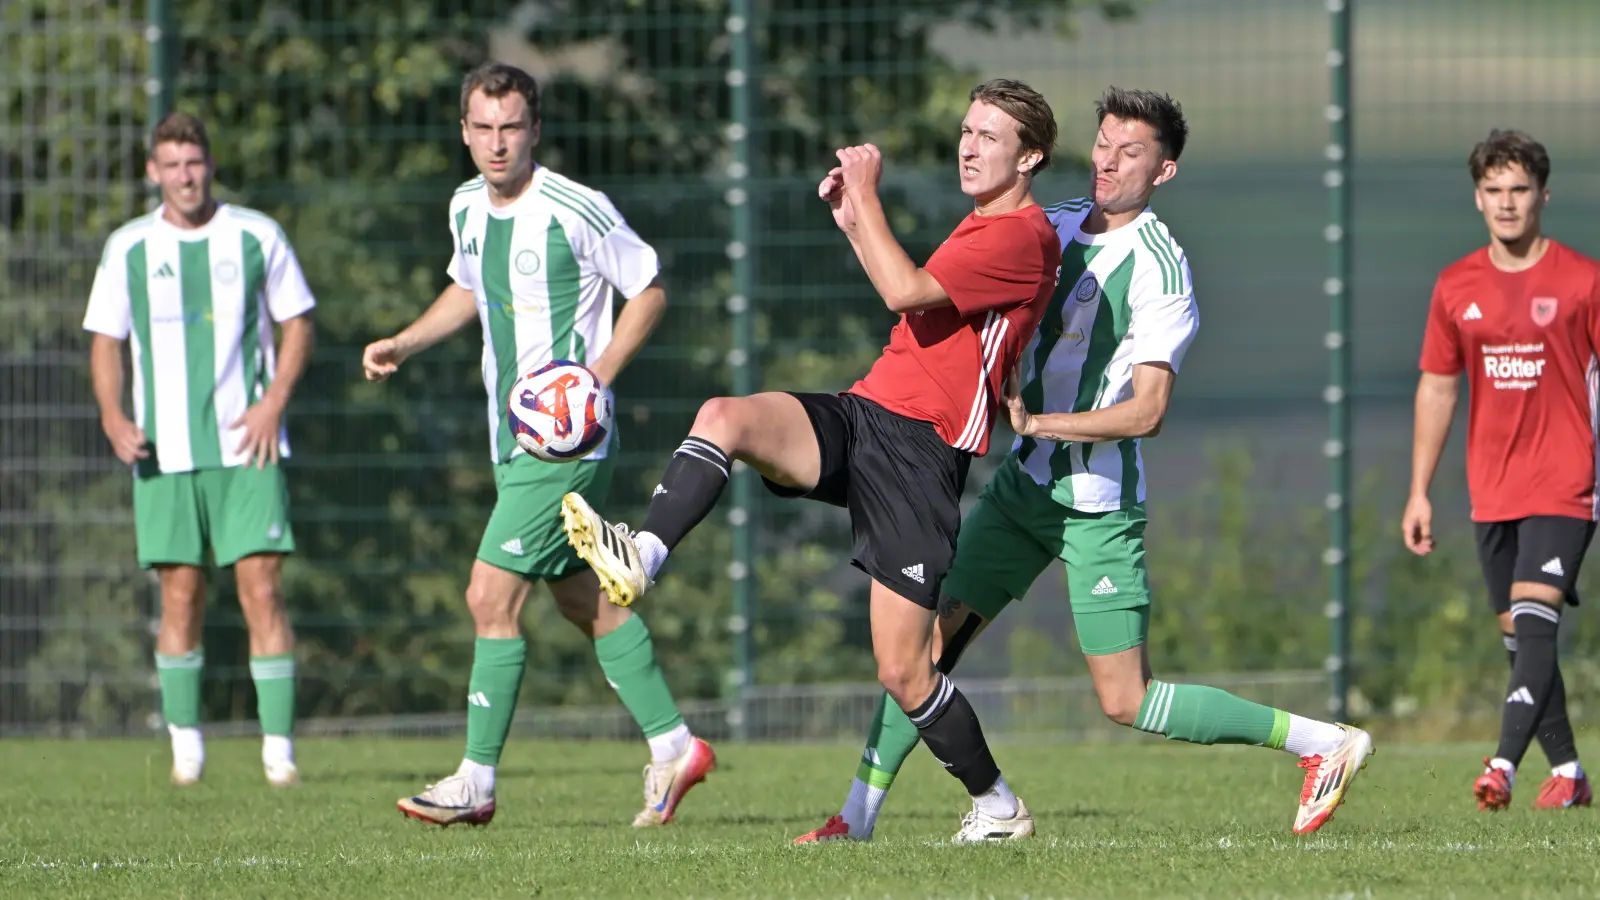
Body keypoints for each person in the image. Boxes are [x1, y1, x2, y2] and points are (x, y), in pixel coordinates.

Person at [792, 87, 1375, 843]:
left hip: (1097, 501)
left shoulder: (1161, 268)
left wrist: (1042, 422)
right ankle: (856, 819)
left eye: (1131, 152)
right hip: (1024, 488)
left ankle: (1323, 742)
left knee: (1125, 699)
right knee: (922, 651)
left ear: (1163, 171)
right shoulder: (1050, 224)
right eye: (1103, 143)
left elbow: (1148, 411)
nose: (1108, 160)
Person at [561, 79, 1061, 842]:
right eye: (966, 130)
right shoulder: (983, 222)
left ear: (1030, 157)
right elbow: (912, 300)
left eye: (988, 137)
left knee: (905, 672)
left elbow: (903, 292)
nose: (968, 146)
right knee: (724, 416)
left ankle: (998, 806)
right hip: (865, 416)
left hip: (921, 458)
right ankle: (644, 556)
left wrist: (867, 192)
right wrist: (854, 222)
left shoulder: (1021, 236)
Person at [364, 62, 713, 828]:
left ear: (535, 131)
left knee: (488, 596)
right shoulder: (465, 205)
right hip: (510, 436)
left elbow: (650, 286)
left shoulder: (573, 207)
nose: (498, 143)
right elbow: (469, 287)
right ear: (464, 131)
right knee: (582, 599)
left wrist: (595, 379)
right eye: (484, 128)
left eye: (512, 127)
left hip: (566, 445)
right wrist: (405, 342)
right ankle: (676, 745)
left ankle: (475, 781)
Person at [84, 112, 316, 788]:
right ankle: (186, 749)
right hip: (164, 451)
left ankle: (279, 752)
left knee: (262, 589)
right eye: (172, 165)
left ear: (210, 165)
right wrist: (112, 415)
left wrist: (273, 402)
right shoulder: (128, 247)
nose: (185, 177)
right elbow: (105, 340)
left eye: (194, 162)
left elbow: (297, 322)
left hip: (248, 444)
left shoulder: (255, 235)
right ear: (153, 172)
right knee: (180, 596)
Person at [1404, 128, 1598, 811]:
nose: (1507, 202)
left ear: (1544, 196)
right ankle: (1569, 774)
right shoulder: (1456, 285)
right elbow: (1438, 386)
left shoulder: (1583, 281)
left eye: (1520, 189)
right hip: (1492, 485)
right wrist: (1419, 491)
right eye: (1494, 190)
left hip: (1568, 478)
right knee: (1522, 637)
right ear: (1477, 199)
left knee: (1536, 618)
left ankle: (1503, 766)